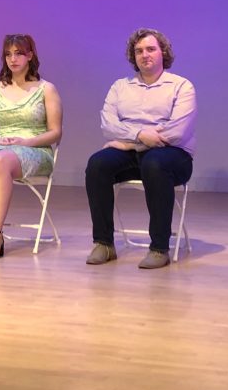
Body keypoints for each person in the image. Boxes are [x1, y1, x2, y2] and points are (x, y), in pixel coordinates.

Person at [84, 29, 196, 270]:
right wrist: (138, 136)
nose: (144, 55)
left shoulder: (181, 86)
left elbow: (175, 132)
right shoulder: (120, 87)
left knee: (154, 162)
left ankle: (159, 247)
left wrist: (126, 142)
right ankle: (104, 243)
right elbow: (108, 124)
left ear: (163, 52)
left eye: (150, 49)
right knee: (98, 164)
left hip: (173, 156)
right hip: (133, 154)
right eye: (138, 51)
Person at [0, 34, 62, 260]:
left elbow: (55, 133)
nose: (13, 59)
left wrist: (26, 142)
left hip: (36, 149)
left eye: (19, 53)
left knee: (1, 160)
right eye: (8, 54)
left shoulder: (46, 89)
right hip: (3, 145)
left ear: (30, 56)